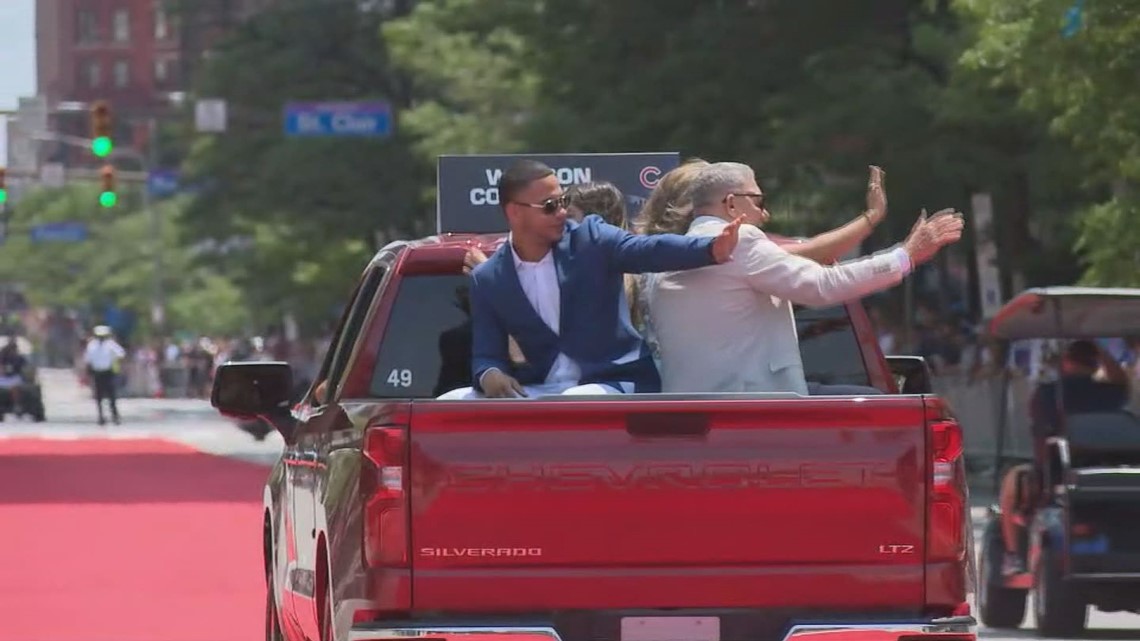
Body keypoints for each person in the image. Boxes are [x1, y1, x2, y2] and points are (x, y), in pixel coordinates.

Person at [646, 161, 964, 395]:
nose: (764, 213)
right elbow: (821, 286)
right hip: (750, 413)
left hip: (683, 416)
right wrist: (905, 256)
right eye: (759, 201)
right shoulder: (741, 240)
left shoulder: (665, 254)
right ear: (731, 204)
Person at [437, 159, 743, 399]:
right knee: (451, 401)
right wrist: (490, 375)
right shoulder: (489, 278)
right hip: (544, 390)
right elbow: (486, 353)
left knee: (574, 401)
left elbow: (647, 249)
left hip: (613, 383)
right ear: (514, 213)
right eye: (549, 206)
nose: (562, 212)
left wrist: (711, 248)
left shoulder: (591, 239)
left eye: (563, 200)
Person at [998, 339, 1131, 575]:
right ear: (1094, 365)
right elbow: (1121, 381)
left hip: (1055, 472)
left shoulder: (1047, 392)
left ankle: (1014, 556)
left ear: (1066, 362)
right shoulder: (1110, 393)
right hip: (1108, 469)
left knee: (1012, 481)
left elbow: (1037, 427)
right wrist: (1101, 352)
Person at [84, 325, 126, 425]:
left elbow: (121, 354)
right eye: (99, 336)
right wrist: (88, 372)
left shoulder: (110, 344)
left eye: (103, 336)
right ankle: (101, 417)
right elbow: (87, 360)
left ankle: (115, 416)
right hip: (97, 372)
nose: (101, 338)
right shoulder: (91, 345)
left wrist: (116, 363)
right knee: (99, 396)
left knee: (112, 396)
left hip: (108, 372)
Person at [0, 337, 28, 418]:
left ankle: (17, 405)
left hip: (14, 377)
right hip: (3, 377)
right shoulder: (3, 356)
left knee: (15, 387)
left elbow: (25, 367)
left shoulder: (19, 358)